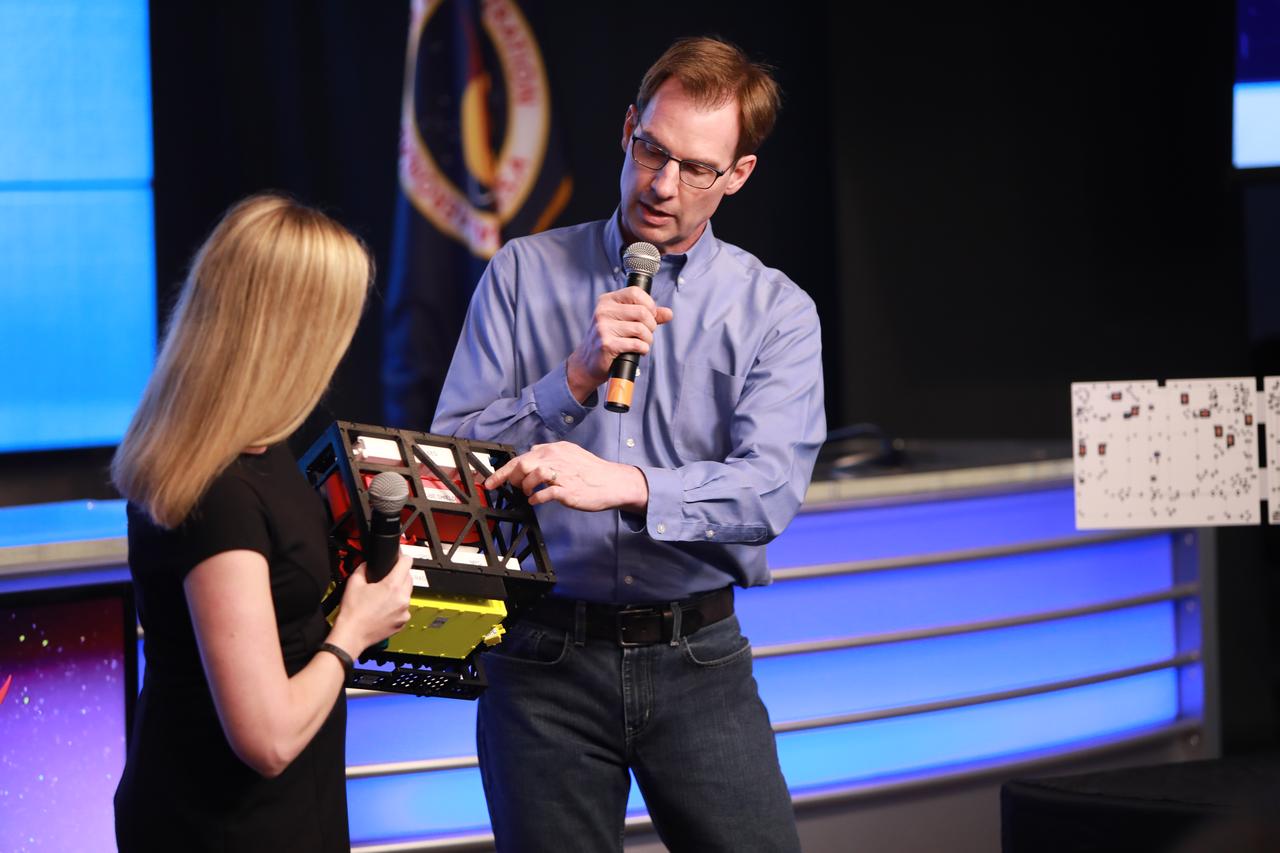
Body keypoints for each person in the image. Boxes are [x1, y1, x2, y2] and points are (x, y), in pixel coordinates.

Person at [432, 36, 825, 852]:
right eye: (651, 149)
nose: (661, 184)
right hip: (541, 659)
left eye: (696, 168)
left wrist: (632, 484)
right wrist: (571, 380)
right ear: (626, 129)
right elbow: (450, 464)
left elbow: (768, 492)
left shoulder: (777, 313)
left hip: (700, 659)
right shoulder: (520, 272)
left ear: (738, 176)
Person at [111, 194, 414, 852]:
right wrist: (354, 631)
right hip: (223, 826)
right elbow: (268, 737)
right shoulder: (213, 490)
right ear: (289, 334)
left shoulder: (255, 449)